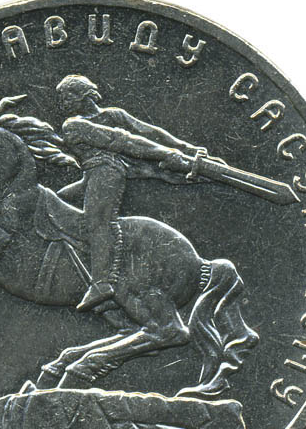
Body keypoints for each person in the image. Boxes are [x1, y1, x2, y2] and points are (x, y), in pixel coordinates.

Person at [56, 74, 208, 312]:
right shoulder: (79, 123)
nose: (63, 103)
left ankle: (102, 282)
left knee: (99, 221)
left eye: (67, 97)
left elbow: (136, 136)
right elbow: (134, 139)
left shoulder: (83, 122)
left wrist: (182, 149)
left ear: (83, 95)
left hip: (105, 173)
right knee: (56, 202)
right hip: (92, 176)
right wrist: (168, 153)